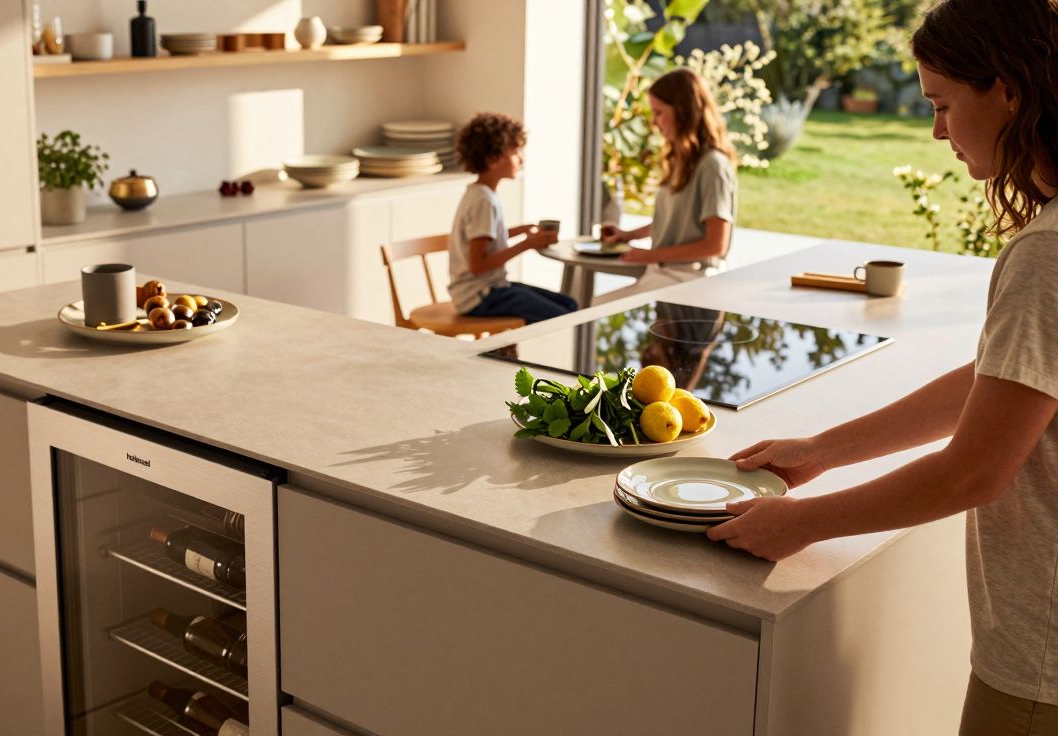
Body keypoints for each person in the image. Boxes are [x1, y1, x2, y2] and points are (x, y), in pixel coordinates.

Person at [704, 1, 1058, 732]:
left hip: (1042, 665)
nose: (936, 131)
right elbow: (1000, 382)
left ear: (1010, 91)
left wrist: (798, 524)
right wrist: (822, 451)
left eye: (942, 104)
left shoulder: (1045, 254)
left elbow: (974, 473)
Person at [597, 67, 738, 300]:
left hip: (690, 283)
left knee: (590, 313)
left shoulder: (713, 166)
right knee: (587, 312)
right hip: (663, 275)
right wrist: (627, 235)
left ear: (683, 112)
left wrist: (652, 255)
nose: (654, 123)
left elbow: (715, 245)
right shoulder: (681, 160)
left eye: (659, 113)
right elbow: (677, 221)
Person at [448, 112, 577, 324]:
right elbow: (478, 264)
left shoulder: (481, 193)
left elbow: (482, 242)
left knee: (569, 305)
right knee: (563, 316)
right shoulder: (484, 201)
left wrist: (518, 232)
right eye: (515, 152)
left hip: (489, 289)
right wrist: (527, 244)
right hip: (480, 296)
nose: (521, 159)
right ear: (492, 159)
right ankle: (506, 350)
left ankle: (506, 349)